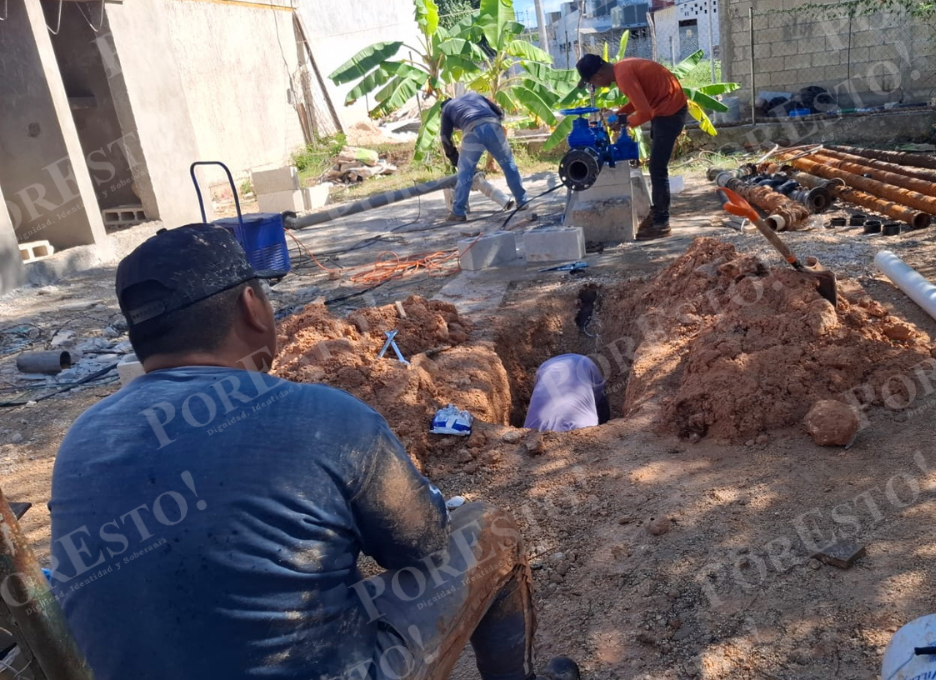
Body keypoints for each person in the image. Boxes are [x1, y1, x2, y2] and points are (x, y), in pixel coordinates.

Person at [48, 224, 577, 680]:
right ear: (251, 307)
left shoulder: (83, 440)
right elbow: (420, 546)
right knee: (489, 530)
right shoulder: (325, 417)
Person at [575, 54, 688, 241]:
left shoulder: (624, 76)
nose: (596, 86)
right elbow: (640, 100)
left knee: (657, 168)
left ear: (597, 75)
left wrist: (623, 123)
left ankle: (662, 222)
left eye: (592, 83)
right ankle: (658, 213)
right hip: (667, 108)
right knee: (656, 166)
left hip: (670, 112)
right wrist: (620, 114)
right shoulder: (622, 68)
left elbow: (645, 113)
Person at [441, 93, 528, 223]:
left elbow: (445, 137)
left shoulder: (447, 109)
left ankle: (458, 212)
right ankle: (522, 201)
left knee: (465, 173)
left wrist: (453, 157)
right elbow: (499, 112)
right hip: (493, 126)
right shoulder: (474, 96)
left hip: (473, 131)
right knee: (508, 164)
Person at [523, 354, 610, 432]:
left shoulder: (543, 368)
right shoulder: (586, 363)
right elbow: (599, 397)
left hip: (534, 431)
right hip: (581, 429)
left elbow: (537, 394)